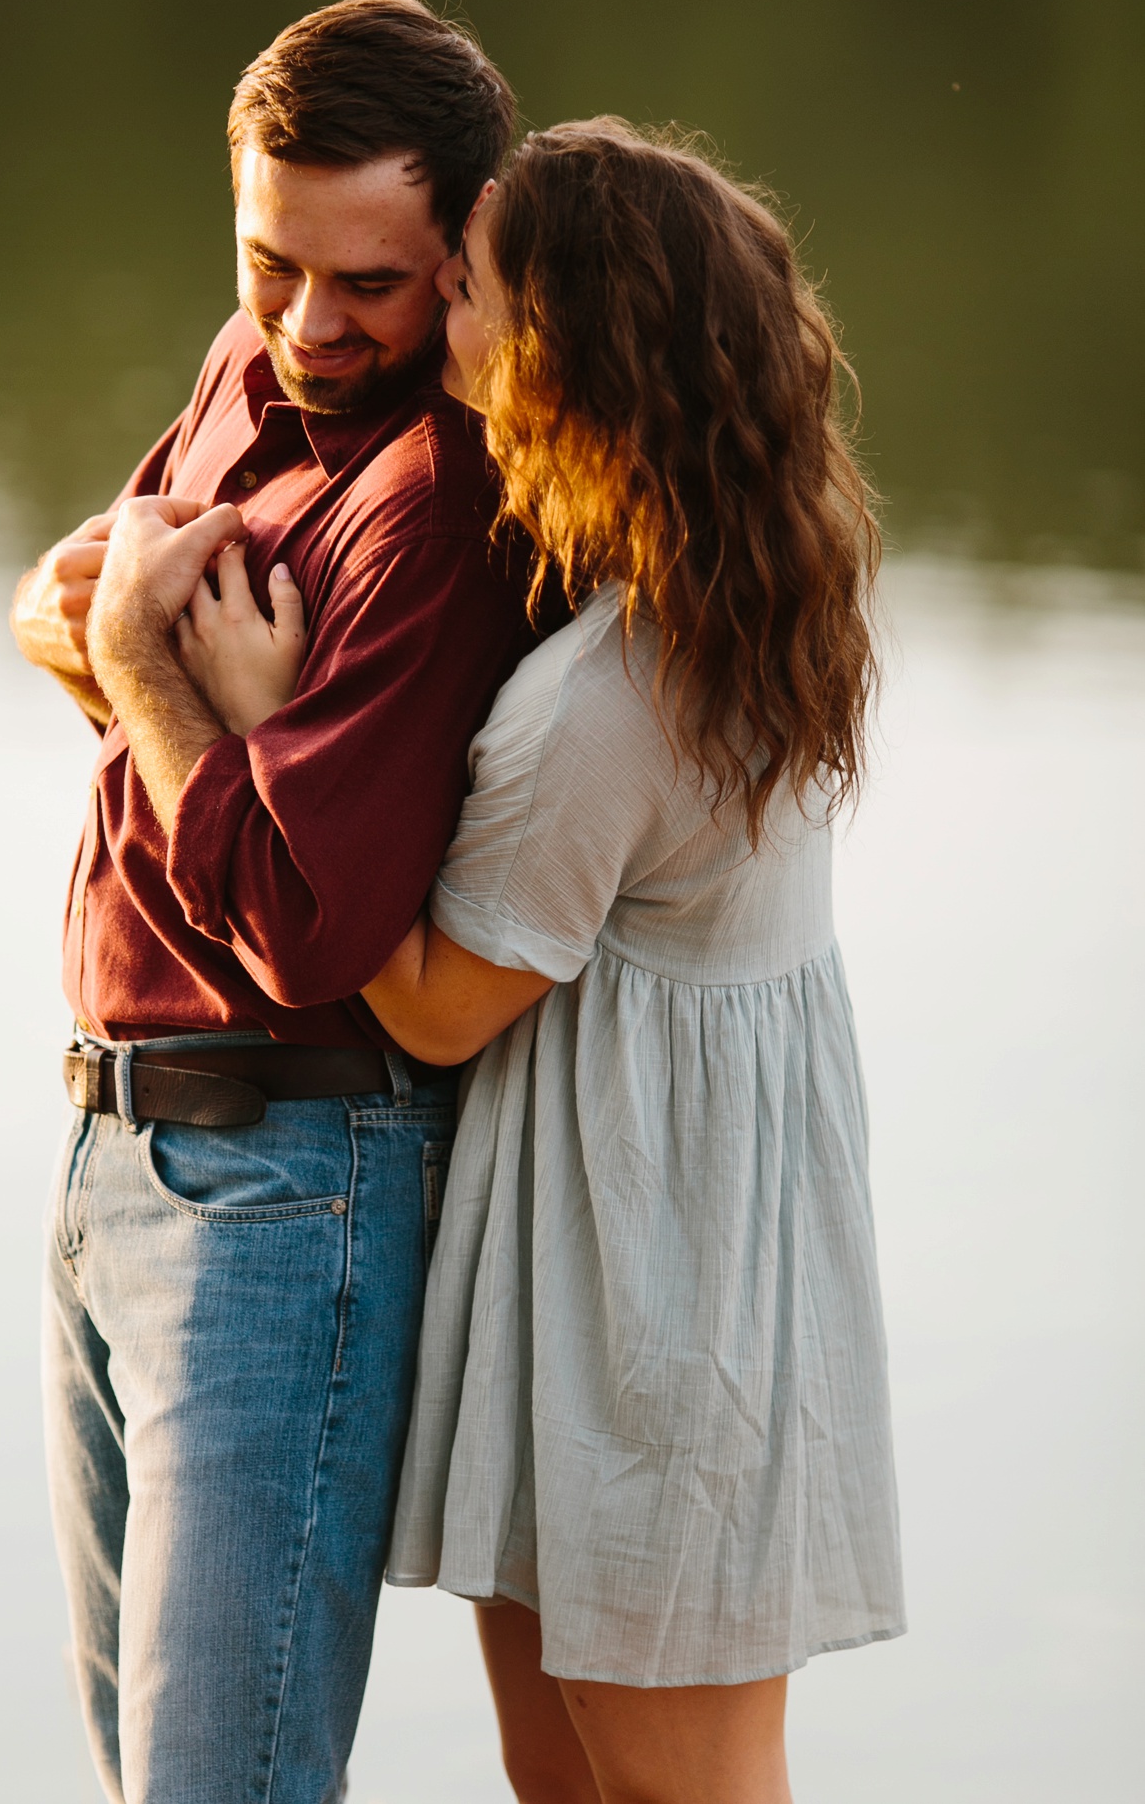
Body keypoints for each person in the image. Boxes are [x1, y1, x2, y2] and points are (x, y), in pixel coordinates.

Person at [177, 118, 905, 1804]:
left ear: (564, 350)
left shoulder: (609, 699)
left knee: (674, 1791)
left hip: (647, 1284)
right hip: (663, 1241)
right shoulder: (741, 577)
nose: (440, 308)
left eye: (473, 288)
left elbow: (434, 999)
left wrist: (259, 724)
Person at [9, 0, 545, 1804]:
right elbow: (84, 586)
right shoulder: (254, 367)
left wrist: (144, 680)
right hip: (113, 1153)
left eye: (369, 286)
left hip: (285, 1186)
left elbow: (317, 929)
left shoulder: (442, 503)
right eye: (270, 267)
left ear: (464, 252)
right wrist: (79, 629)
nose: (311, 327)